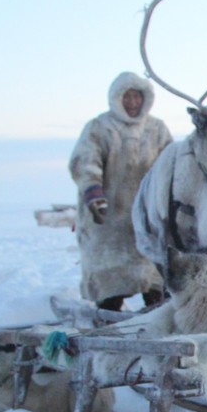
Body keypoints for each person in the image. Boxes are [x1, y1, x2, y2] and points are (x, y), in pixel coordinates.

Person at [69, 71, 173, 311]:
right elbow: (85, 161)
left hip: (148, 217)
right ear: (117, 98)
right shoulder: (100, 127)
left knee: (153, 277)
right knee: (111, 278)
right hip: (109, 219)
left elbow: (168, 164)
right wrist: (93, 192)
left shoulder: (156, 129)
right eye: (127, 97)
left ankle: (155, 319)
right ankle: (108, 317)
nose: (133, 103)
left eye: (137, 97)